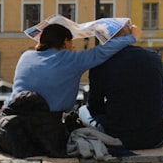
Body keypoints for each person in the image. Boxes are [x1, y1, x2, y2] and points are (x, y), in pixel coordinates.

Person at [8, 18, 143, 113]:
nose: (72, 48)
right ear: (66, 42)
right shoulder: (71, 60)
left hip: (13, 117)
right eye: (72, 44)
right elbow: (102, 51)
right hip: (47, 123)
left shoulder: (25, 56)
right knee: (84, 111)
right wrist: (132, 37)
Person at [77, 20, 163, 150]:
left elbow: (95, 106)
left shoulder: (101, 63)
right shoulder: (154, 58)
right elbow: (161, 99)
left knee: (82, 110)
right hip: (156, 137)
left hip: (119, 137)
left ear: (105, 39)